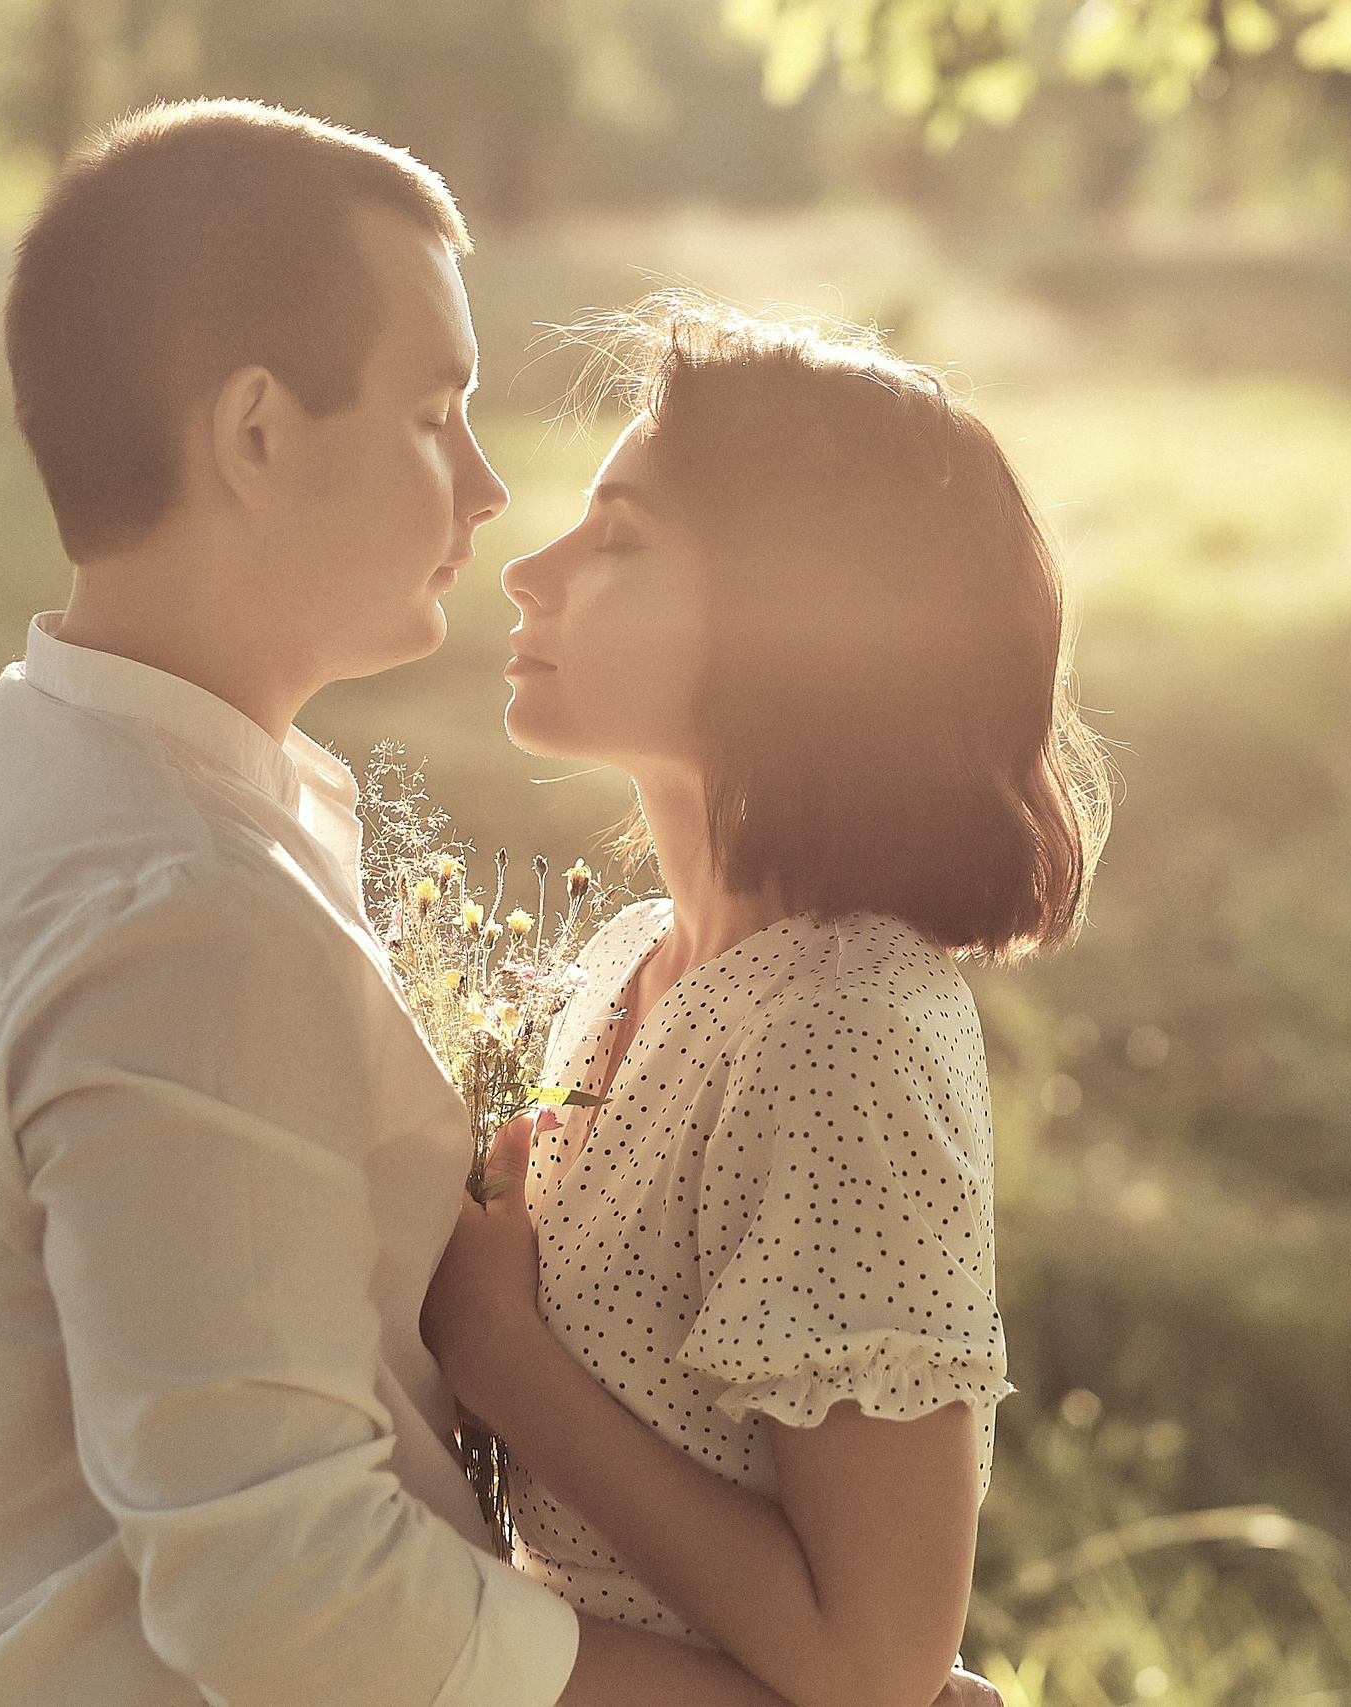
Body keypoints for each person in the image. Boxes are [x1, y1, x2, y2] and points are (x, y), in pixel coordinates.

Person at [0, 99, 1000, 1707]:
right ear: (256, 436)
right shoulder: (190, 910)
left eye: (621, 531)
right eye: (436, 413)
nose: (489, 505)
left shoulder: (61, 788)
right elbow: (285, 1591)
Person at [420, 301, 1111, 1707]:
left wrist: (505, 1363)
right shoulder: (631, 963)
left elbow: (875, 1668)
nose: (529, 574)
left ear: (799, 618)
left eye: (618, 537)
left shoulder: (833, 1039)